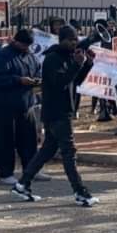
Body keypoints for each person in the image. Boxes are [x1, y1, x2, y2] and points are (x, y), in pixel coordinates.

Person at [12, 25, 98, 207]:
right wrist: (76, 64)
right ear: (62, 41)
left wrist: (86, 65)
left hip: (62, 110)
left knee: (47, 150)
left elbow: (75, 82)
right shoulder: (52, 59)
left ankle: (23, 183)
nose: (75, 44)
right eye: (71, 40)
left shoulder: (68, 57)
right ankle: (80, 191)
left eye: (76, 40)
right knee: (69, 152)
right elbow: (60, 83)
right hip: (56, 112)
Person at [0, 28, 42, 185]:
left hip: (27, 104)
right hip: (5, 105)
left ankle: (32, 169)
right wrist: (18, 80)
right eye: (23, 45)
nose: (26, 48)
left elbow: (38, 70)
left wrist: (37, 80)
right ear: (15, 41)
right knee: (5, 140)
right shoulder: (3, 56)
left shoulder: (31, 56)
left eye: (28, 46)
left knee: (29, 140)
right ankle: (5, 174)